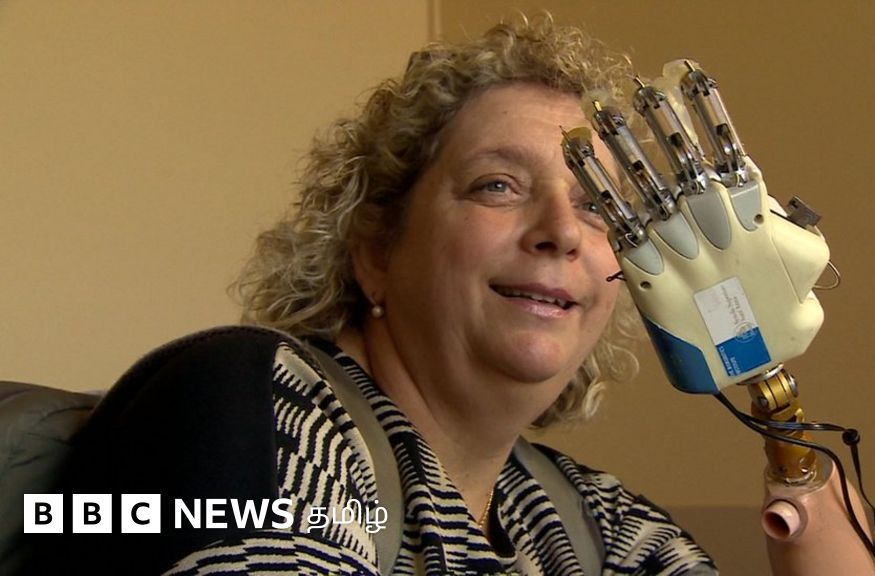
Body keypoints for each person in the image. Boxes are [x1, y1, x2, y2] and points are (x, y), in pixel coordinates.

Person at [55, 15, 718, 575]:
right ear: (377, 250)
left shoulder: (595, 527)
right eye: (497, 185)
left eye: (596, 204)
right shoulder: (256, 405)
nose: (563, 232)